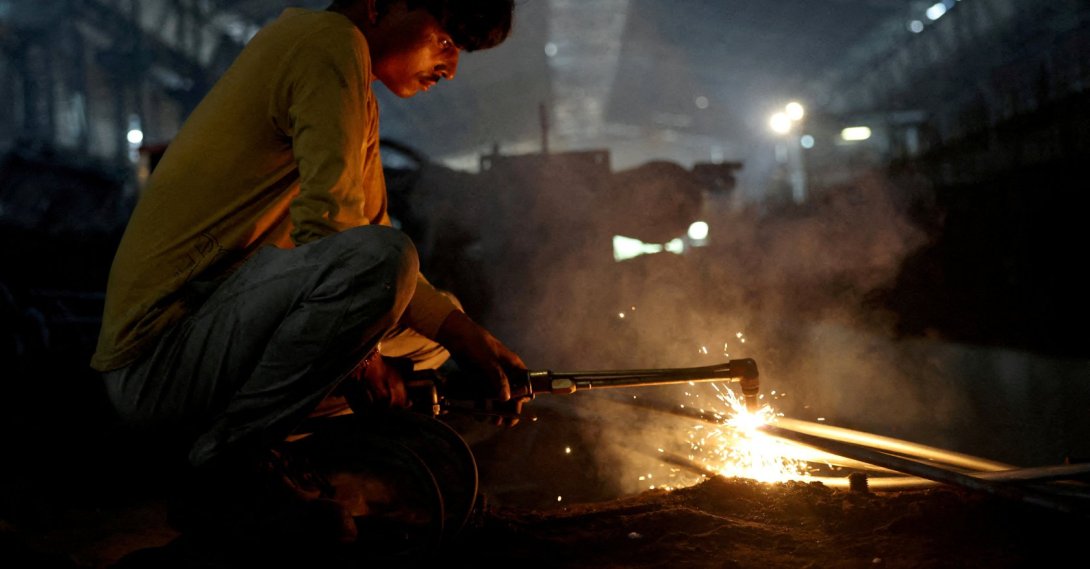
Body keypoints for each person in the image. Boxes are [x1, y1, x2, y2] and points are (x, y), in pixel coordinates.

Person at [90, 0, 525, 549]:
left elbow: (360, 237)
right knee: (384, 265)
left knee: (433, 339)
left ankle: (287, 453)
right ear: (380, 4)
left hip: (208, 338)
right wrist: (364, 362)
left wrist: (468, 336)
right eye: (446, 39)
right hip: (160, 356)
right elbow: (345, 241)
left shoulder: (351, 84)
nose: (450, 66)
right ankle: (229, 468)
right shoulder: (328, 43)